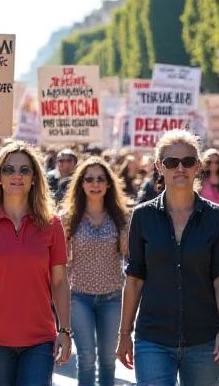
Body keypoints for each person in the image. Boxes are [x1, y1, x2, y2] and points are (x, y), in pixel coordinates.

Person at [117, 129, 219, 385]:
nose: (180, 168)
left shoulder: (216, 217)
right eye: (172, 162)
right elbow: (134, 278)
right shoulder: (142, 216)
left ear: (198, 167)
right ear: (160, 167)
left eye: (188, 162)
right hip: (153, 338)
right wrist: (124, 332)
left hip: (204, 338)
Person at [0, 142, 71, 384]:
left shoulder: (52, 224)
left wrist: (65, 330)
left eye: (24, 170)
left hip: (40, 339)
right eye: (8, 170)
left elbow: (60, 282)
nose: (16, 176)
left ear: (34, 178)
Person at [60, 157, 129, 386]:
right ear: (81, 184)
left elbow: (131, 257)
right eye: (89, 179)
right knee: (87, 358)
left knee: (109, 360)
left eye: (101, 178)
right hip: (79, 297)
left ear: (109, 184)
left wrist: (126, 241)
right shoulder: (67, 219)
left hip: (113, 297)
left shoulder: (122, 218)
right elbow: (60, 262)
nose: (95, 183)